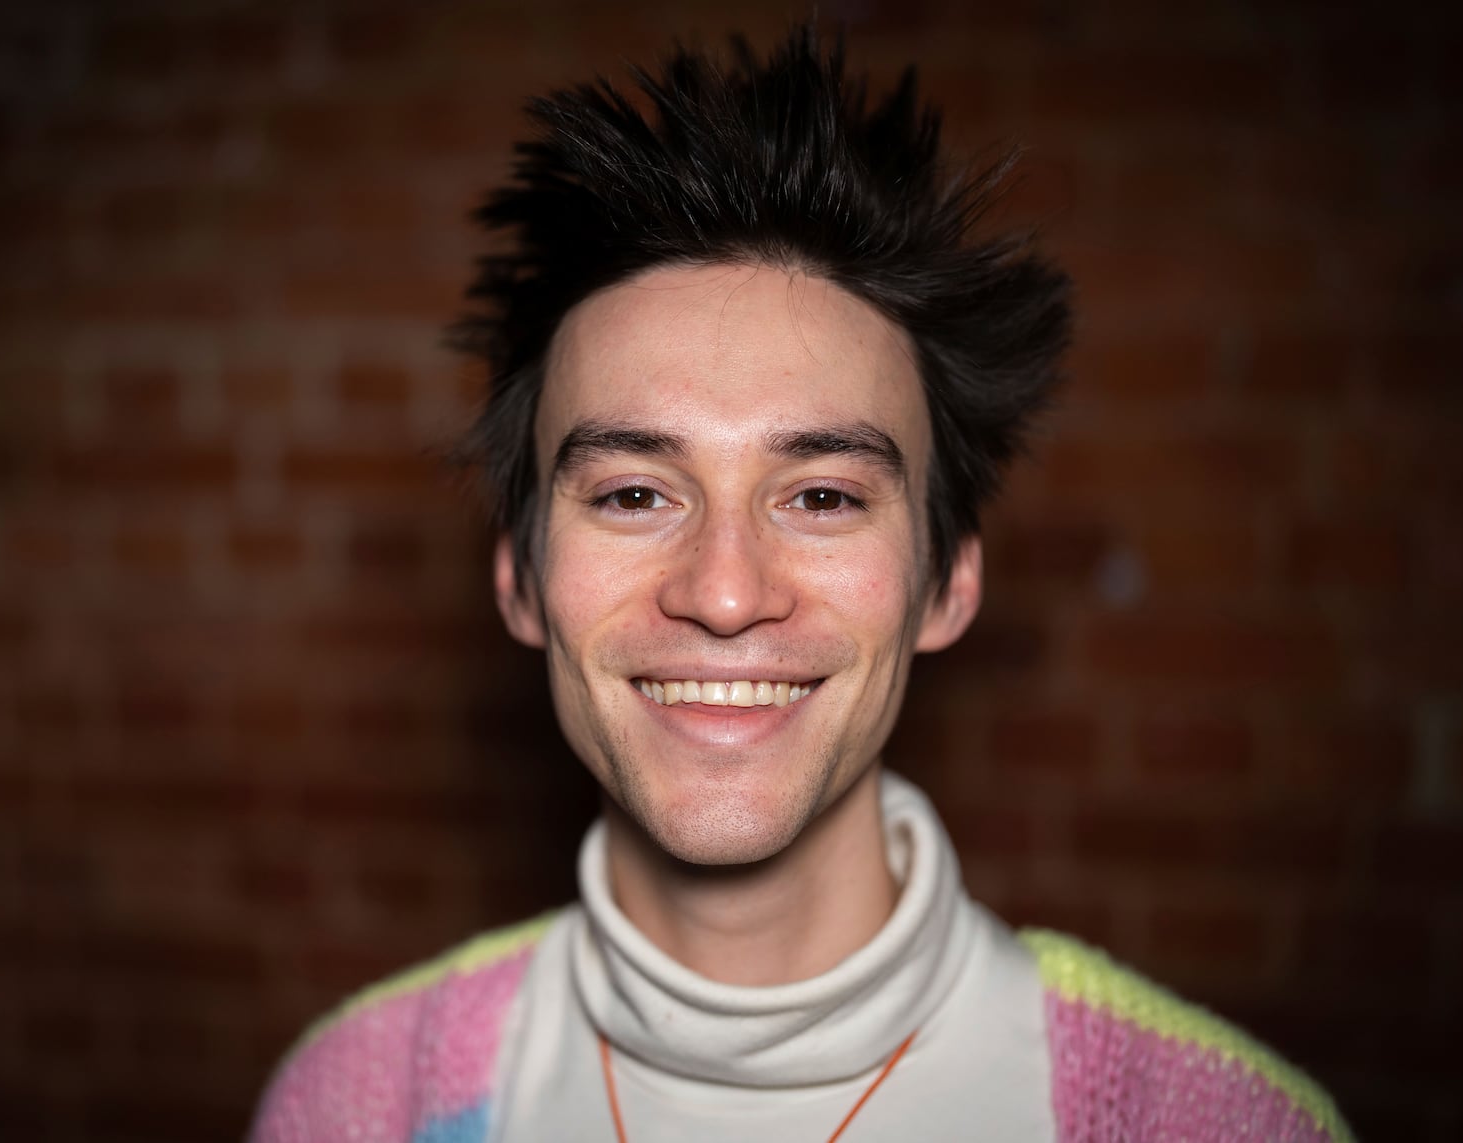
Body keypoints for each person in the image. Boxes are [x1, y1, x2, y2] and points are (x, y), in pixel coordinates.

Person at [250, 28, 1353, 1143]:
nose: (725, 596)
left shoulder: (1221, 1123)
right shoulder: (357, 1101)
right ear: (521, 580)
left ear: (946, 583)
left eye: (821, 497)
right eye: (634, 494)